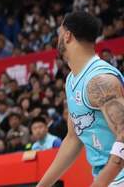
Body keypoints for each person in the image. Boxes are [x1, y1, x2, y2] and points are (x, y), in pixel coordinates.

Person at [37, 12, 124, 187]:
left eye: (59, 33)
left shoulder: (99, 80)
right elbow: (73, 139)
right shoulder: (72, 80)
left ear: (67, 35)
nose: (57, 38)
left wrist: (101, 183)